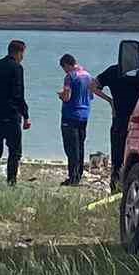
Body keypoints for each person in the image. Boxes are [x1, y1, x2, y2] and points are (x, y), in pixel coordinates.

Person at [91, 57, 139, 192]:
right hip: (137, 119)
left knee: (117, 156)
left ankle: (116, 186)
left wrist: (110, 100)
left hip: (119, 119)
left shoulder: (114, 71)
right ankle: (131, 186)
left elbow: (93, 85)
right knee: (135, 156)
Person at [0, 40, 31, 185]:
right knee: (15, 151)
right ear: (18, 52)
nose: (23, 57)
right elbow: (18, 94)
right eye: (23, 54)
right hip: (10, 115)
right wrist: (26, 115)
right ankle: (11, 181)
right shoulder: (17, 68)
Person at [57, 53, 92, 186]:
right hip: (84, 114)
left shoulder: (70, 77)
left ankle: (72, 177)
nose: (64, 71)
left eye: (64, 68)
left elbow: (67, 96)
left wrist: (61, 96)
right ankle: (78, 175)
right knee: (80, 145)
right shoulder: (87, 76)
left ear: (66, 64)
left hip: (70, 115)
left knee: (71, 148)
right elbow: (91, 95)